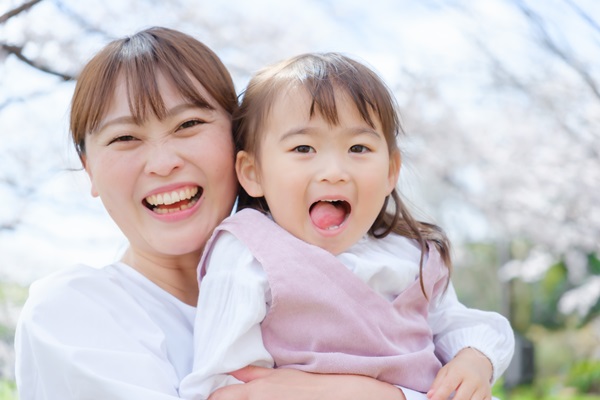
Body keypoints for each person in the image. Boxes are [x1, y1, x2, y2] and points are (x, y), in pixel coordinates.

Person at [14, 28, 415, 400]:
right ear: (90, 170)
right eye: (124, 138)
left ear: (242, 144)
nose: (163, 162)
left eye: (188, 124)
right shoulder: (74, 312)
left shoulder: (343, 276)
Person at [179, 53, 515, 400]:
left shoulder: (410, 253)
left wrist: (474, 360)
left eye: (358, 147)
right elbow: (223, 385)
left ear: (390, 172)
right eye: (303, 147)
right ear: (253, 172)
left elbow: (462, 325)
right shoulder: (249, 253)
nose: (335, 171)